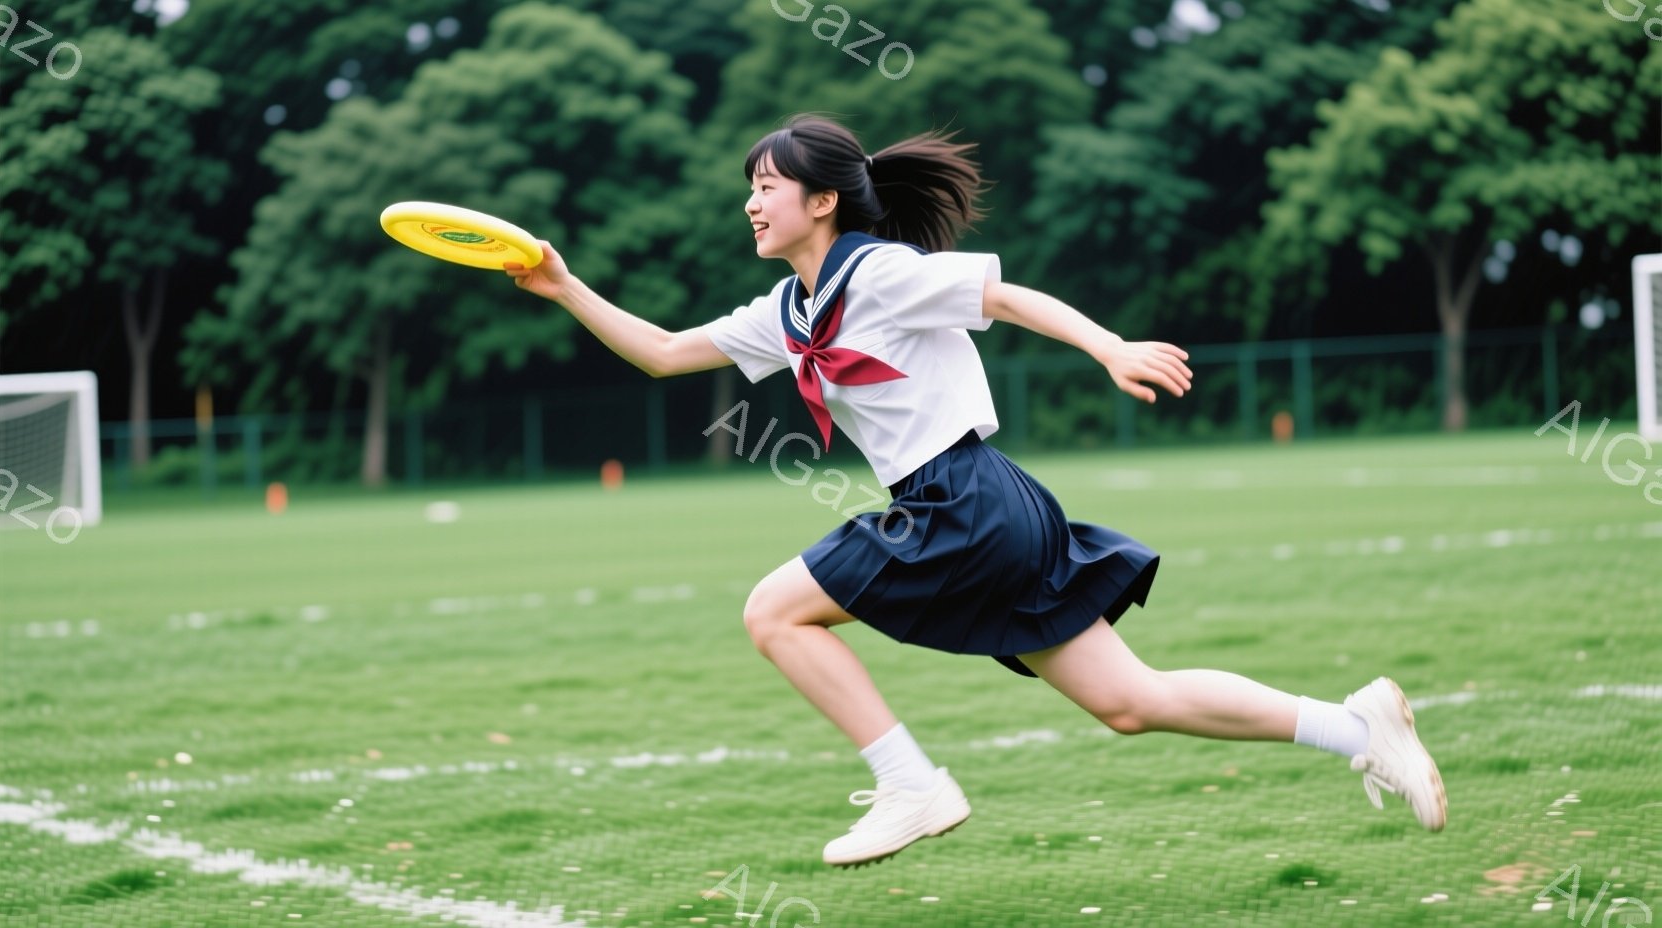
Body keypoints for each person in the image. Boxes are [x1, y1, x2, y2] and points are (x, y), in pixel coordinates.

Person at [503, 114, 1447, 867]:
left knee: (773, 612)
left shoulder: (881, 272)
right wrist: (565, 286)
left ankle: (911, 784)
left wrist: (1108, 346)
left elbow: (1003, 296)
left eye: (766, 187)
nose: (750, 204)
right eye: (749, 189)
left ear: (822, 201)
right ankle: (1354, 726)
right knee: (1130, 701)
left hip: (961, 501)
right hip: (988, 506)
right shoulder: (789, 309)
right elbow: (666, 353)